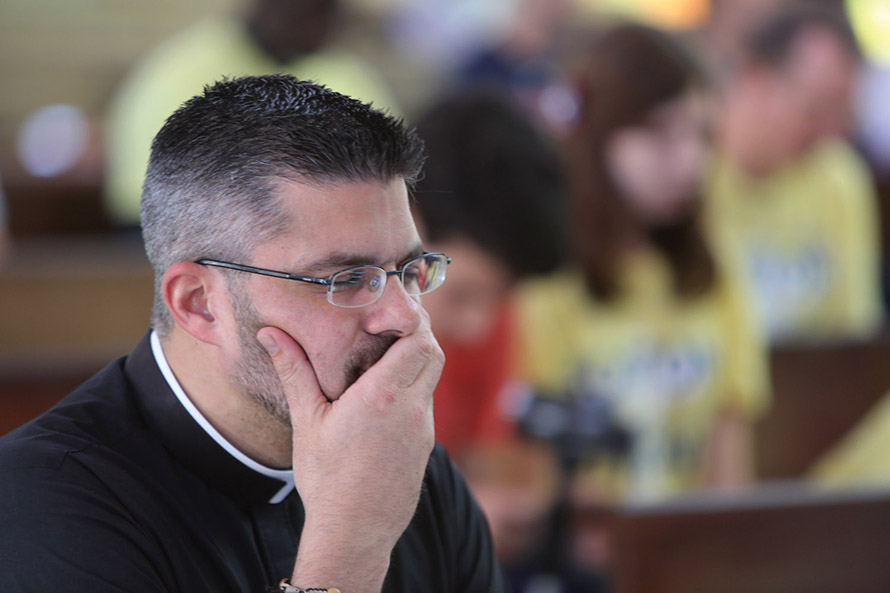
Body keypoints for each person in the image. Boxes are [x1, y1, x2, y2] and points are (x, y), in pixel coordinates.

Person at [0, 75, 507, 593]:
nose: (405, 317)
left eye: (407, 270)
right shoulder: (42, 500)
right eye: (347, 279)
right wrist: (349, 542)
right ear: (199, 304)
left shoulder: (411, 464)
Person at [516, 22, 769, 513]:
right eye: (660, 134)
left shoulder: (714, 272)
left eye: (700, 134)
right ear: (600, 133)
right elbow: (535, 471)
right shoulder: (545, 284)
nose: (691, 161)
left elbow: (731, 475)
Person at [104, 0, 398, 228]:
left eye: (330, 12)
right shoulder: (183, 72)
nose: (321, 24)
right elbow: (162, 196)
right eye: (308, 9)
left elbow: (392, 164)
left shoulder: (345, 71)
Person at [705, 2, 884, 344]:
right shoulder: (682, 181)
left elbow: (853, 341)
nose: (830, 131)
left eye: (842, 115)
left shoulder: (838, 178)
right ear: (754, 77)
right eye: (816, 110)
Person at [412, 90, 566, 460]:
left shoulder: (496, 319)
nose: (477, 327)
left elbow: (482, 459)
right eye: (462, 294)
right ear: (405, 226)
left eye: (499, 297)